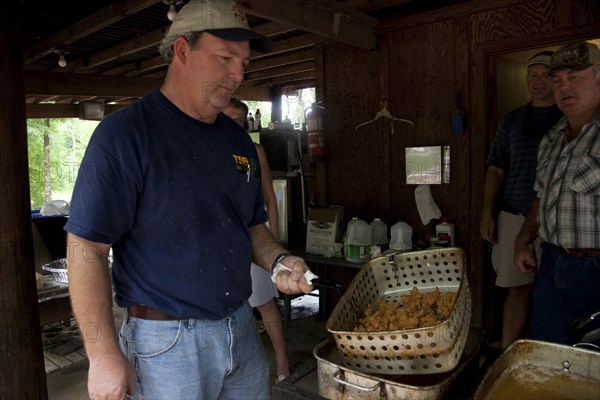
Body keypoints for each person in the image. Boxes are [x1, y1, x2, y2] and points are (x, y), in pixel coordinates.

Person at [64, 1, 315, 399]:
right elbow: (87, 247)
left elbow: (251, 227)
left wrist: (279, 260)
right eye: (225, 57)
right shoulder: (126, 136)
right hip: (165, 344)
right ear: (182, 51)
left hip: (240, 327)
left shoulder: (238, 143)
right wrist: (102, 353)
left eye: (243, 62)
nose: (238, 74)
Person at [514, 41, 600, 345]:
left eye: (575, 77)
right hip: (551, 263)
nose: (565, 87)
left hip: (595, 269)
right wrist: (524, 239)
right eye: (558, 79)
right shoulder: (552, 138)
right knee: (548, 351)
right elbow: (541, 194)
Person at [480, 51, 562, 349]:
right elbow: (496, 169)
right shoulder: (512, 121)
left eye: (546, 75)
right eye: (533, 75)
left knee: (551, 292)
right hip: (513, 214)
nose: (538, 82)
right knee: (516, 288)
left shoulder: (570, 120)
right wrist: (487, 213)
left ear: (557, 79)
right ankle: (509, 352)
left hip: (555, 219)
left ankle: (542, 351)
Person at [224, 98, 291, 382]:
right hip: (223, 239)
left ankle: (282, 359)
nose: (236, 124)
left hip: (254, 236)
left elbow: (268, 197)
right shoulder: (205, 147)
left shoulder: (253, 150)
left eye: (241, 120)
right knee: (226, 305)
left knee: (263, 302)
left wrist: (274, 240)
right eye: (230, 118)